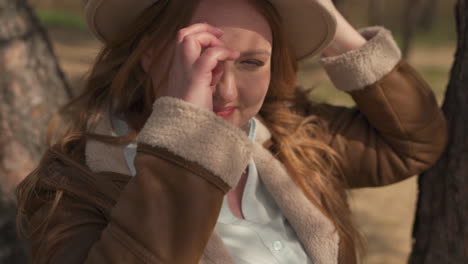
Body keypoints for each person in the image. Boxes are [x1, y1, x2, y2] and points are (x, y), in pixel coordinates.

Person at [16, 0, 447, 263]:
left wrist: (326, 21)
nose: (225, 89)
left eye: (251, 62)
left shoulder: (289, 139)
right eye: (203, 55)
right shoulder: (74, 185)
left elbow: (413, 142)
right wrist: (189, 136)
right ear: (148, 54)